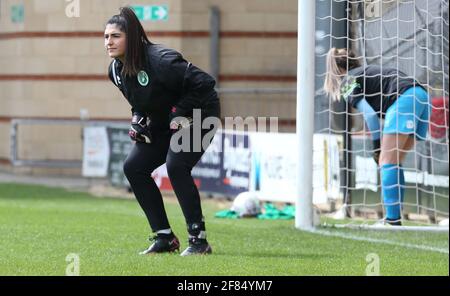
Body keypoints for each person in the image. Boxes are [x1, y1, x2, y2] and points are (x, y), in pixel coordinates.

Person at [104, 7, 220, 255]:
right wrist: (138, 120)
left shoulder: (161, 60)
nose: (108, 42)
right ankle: (165, 238)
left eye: (115, 36)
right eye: (106, 37)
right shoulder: (115, 71)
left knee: (176, 165)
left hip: (200, 114)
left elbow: (206, 84)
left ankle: (198, 241)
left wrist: (178, 112)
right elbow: (139, 102)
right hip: (165, 119)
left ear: (131, 38)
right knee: (133, 167)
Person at [324, 48, 430, 226]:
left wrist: (376, 147)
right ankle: (395, 217)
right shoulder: (366, 72)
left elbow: (370, 115)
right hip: (421, 96)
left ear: (336, 70)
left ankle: (392, 220)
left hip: (404, 99)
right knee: (394, 162)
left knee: (386, 161)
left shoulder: (347, 81)